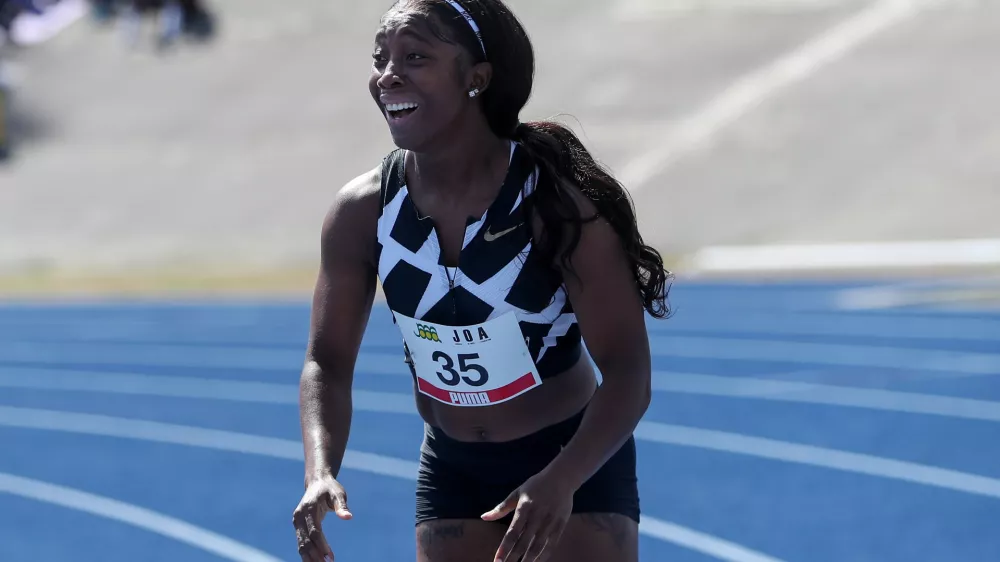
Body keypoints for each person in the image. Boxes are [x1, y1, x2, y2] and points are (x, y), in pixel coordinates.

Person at [293, 1, 672, 561]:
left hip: (571, 454)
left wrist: (563, 478)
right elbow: (326, 362)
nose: (387, 74)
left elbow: (628, 371)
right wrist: (320, 471)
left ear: (477, 78)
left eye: (415, 56)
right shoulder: (362, 212)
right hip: (453, 467)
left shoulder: (555, 208)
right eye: (381, 58)